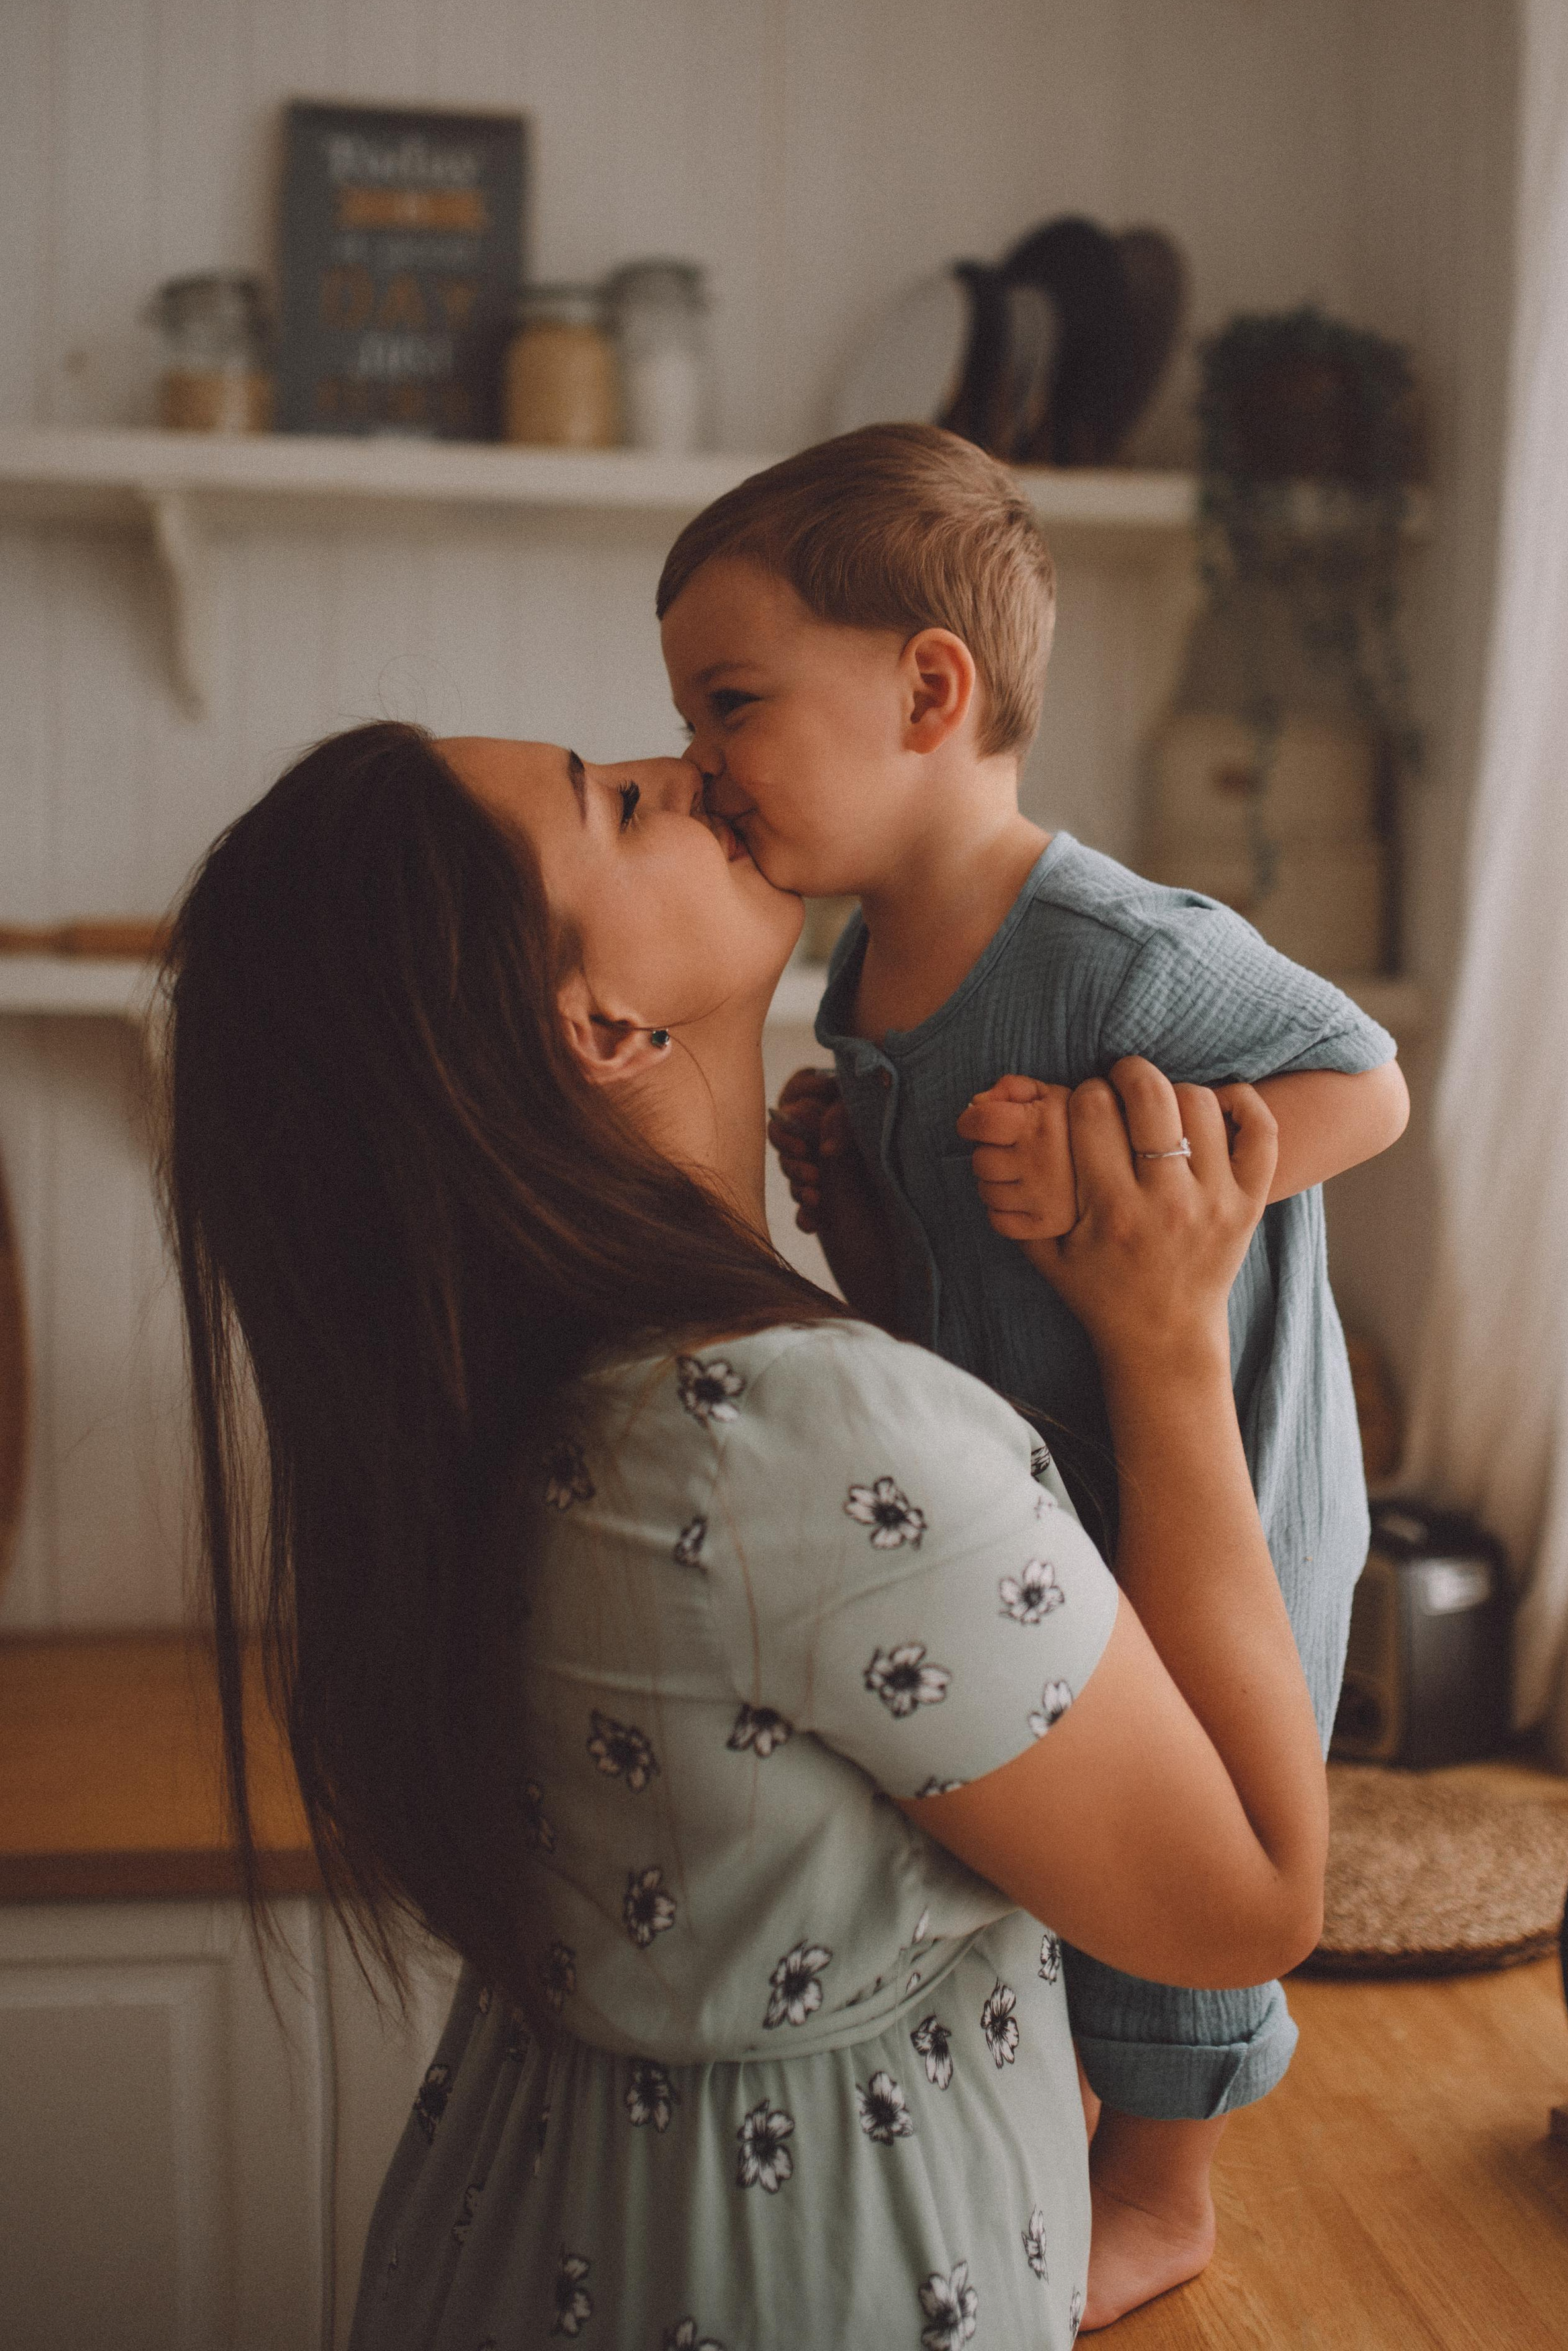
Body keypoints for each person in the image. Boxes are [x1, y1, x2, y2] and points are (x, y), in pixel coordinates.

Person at [163, 719, 1327, 2349]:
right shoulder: (789, 1436)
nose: (689, 769)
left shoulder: (509, 1396)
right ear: (598, 1022)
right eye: (618, 804)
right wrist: (1168, 1342)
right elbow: (1250, 1895)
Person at [659, 425, 1409, 2325]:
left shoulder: (1112, 950)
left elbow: (1368, 1081)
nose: (700, 759)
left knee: (1191, 1853)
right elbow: (940, 1298)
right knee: (1046, 1815)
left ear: (929, 688)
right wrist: (854, 1211)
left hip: (1202, 1487)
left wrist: (1147, 1159)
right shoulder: (859, 978)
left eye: (731, 701)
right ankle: (1060, 2105)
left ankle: (1166, 2183)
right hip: (1031, 1484)